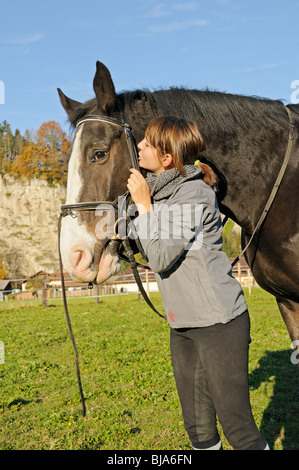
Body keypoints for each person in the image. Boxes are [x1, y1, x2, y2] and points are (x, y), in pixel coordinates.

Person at [127, 116, 270, 451]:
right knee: (199, 431)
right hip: (184, 325)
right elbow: (138, 240)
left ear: (166, 158)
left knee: (239, 431)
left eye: (146, 143)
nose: (139, 146)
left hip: (219, 324)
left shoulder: (194, 194)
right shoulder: (159, 196)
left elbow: (160, 257)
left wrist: (144, 206)